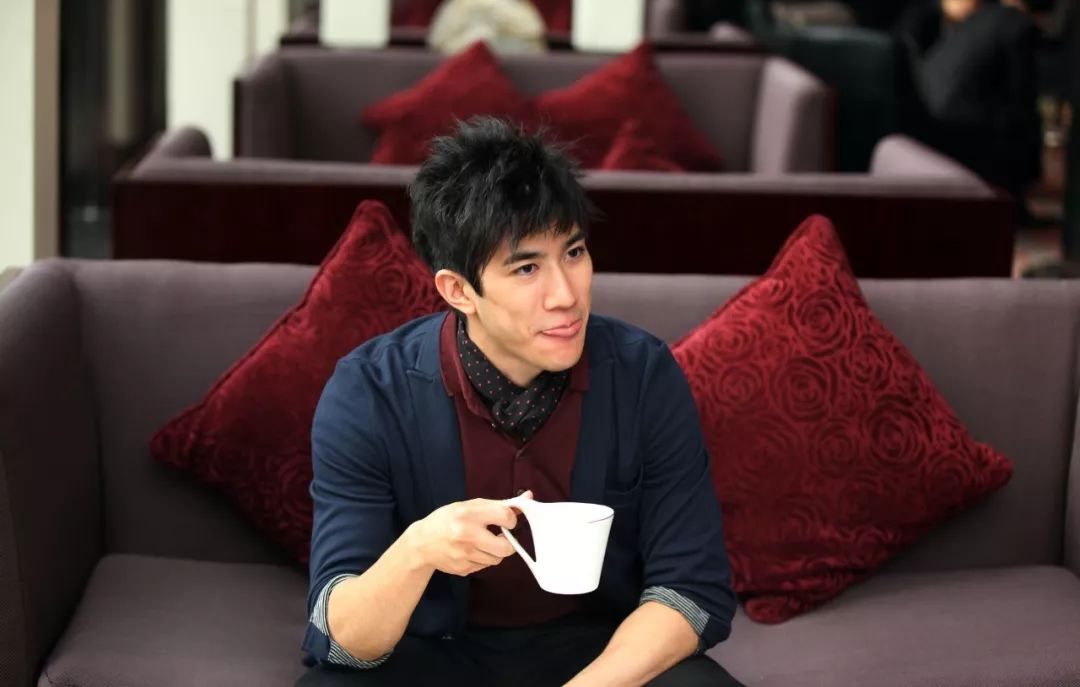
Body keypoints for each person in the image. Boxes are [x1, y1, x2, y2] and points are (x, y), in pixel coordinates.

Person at [295, 118, 741, 687]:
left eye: (574, 252)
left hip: (601, 652)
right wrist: (418, 551)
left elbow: (690, 589)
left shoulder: (643, 374)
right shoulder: (368, 392)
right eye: (527, 267)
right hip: (429, 651)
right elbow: (341, 639)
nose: (566, 295)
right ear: (459, 290)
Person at [897, 0, 1042, 205]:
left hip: (928, 141)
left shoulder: (966, 23)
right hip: (970, 148)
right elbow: (1024, 103)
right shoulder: (1018, 25)